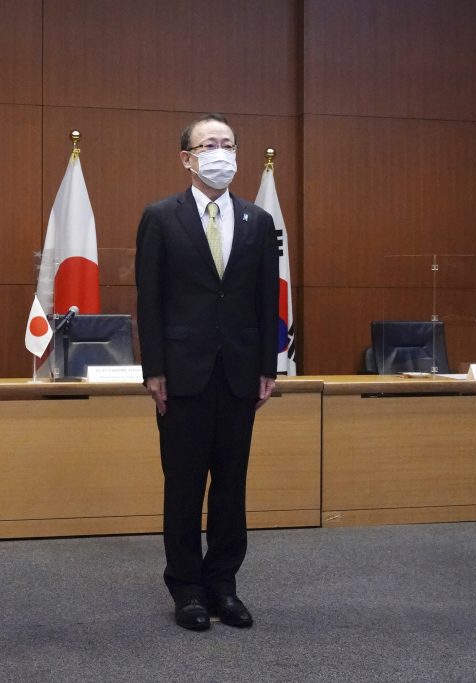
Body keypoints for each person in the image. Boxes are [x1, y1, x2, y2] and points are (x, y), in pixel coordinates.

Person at [135, 113, 279, 631]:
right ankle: (188, 589)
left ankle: (224, 585)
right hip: (182, 374)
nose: (221, 153)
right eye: (208, 145)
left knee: (231, 486)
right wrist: (154, 370)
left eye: (228, 144)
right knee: (184, 485)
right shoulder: (161, 217)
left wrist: (268, 366)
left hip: (240, 374)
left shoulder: (258, 222)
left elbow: (267, 302)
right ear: (187, 159)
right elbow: (148, 302)